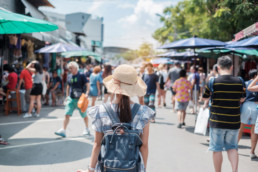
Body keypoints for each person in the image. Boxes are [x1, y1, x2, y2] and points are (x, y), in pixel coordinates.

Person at [77, 64, 154, 172]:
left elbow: (97, 144)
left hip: (107, 168)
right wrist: (143, 169)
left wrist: (90, 170)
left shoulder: (101, 110)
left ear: (114, 86)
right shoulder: (143, 112)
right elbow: (144, 146)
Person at [202, 56, 246, 172]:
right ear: (232, 67)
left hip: (217, 121)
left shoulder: (212, 81)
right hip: (234, 121)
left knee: (217, 149)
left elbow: (204, 97)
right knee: (232, 148)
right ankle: (234, 170)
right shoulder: (240, 81)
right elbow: (242, 99)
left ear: (218, 67)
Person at [54, 61, 90, 137]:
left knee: (84, 115)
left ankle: (87, 128)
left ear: (76, 68)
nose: (70, 69)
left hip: (81, 99)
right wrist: (67, 96)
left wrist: (87, 93)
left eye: (72, 68)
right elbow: (68, 86)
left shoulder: (81, 75)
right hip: (71, 98)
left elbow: (87, 84)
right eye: (69, 68)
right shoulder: (69, 76)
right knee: (67, 114)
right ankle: (63, 130)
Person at [239, 69, 258, 160]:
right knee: (254, 129)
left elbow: (241, 96)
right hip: (256, 105)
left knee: (241, 127)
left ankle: (234, 147)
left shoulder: (245, 83)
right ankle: (252, 152)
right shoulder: (256, 84)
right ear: (256, 76)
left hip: (246, 105)